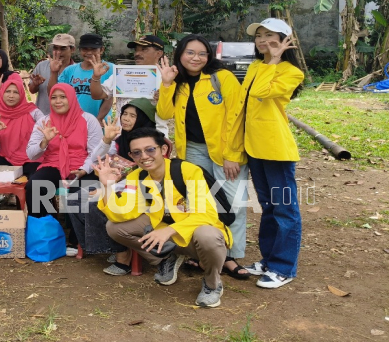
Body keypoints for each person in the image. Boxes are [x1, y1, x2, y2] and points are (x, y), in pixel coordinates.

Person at [95, 128, 233, 308]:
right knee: (114, 227)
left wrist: (169, 231)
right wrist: (107, 187)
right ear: (131, 156)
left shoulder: (187, 171)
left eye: (150, 149)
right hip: (165, 235)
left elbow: (206, 213)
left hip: (195, 236)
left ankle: (212, 284)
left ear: (164, 150)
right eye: (137, 153)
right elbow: (122, 213)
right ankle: (165, 258)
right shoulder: (137, 176)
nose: (144, 156)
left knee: (208, 235)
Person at [156, 34, 249, 279]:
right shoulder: (179, 82)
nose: (196, 58)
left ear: (209, 56)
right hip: (193, 151)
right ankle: (206, 253)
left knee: (234, 203)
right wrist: (166, 84)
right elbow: (165, 113)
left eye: (202, 53)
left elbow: (237, 116)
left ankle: (232, 256)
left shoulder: (222, 78)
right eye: (190, 53)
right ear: (180, 55)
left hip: (225, 150)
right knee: (200, 204)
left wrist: (232, 155)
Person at [233, 18, 304, 289]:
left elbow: (262, 92)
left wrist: (273, 62)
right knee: (268, 207)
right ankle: (268, 260)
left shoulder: (290, 72)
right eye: (259, 35)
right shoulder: (255, 66)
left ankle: (283, 267)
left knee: (285, 209)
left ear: (285, 40)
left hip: (276, 149)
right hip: (254, 147)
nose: (262, 40)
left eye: (269, 35)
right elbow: (243, 102)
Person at [71, 98, 161, 274]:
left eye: (132, 116)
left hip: (141, 191)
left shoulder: (150, 143)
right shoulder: (121, 138)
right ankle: (102, 246)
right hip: (115, 185)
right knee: (74, 199)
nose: (125, 119)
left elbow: (142, 177)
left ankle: (123, 255)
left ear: (143, 118)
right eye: (124, 114)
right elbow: (96, 158)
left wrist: (108, 189)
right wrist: (106, 139)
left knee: (95, 204)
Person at [25, 84, 103, 220]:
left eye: (63, 97)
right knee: (35, 185)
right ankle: (46, 228)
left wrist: (83, 169)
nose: (58, 101)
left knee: (81, 191)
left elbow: (96, 153)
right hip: (53, 165)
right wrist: (45, 141)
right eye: (54, 97)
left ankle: (77, 238)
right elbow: (31, 154)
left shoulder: (88, 120)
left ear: (72, 98)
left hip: (82, 166)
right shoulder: (44, 122)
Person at [0, 75, 45, 208]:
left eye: (15, 92)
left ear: (21, 94)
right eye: (8, 91)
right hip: (7, 157)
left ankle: (36, 219)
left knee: (37, 180)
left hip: (32, 158)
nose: (11, 95)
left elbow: (46, 128)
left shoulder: (33, 112)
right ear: (2, 93)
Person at [91, 34, 168, 135]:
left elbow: (175, 110)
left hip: (154, 136)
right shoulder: (123, 73)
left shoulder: (167, 77)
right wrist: (96, 77)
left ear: (159, 53)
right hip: (122, 135)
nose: (137, 53)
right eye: (136, 50)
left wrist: (165, 96)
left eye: (144, 49)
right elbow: (97, 95)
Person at [49, 33, 113, 121]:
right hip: (74, 121)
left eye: (93, 49)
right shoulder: (70, 70)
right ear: (79, 50)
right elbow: (53, 93)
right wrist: (54, 72)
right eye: (85, 49)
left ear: (101, 50)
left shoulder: (109, 69)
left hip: (101, 123)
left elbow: (109, 98)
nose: (89, 53)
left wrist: (98, 119)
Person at [29, 34, 76, 115]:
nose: (58, 52)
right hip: (42, 117)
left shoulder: (77, 70)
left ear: (72, 49)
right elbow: (32, 90)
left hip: (68, 119)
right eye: (55, 48)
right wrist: (35, 84)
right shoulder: (42, 65)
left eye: (63, 48)